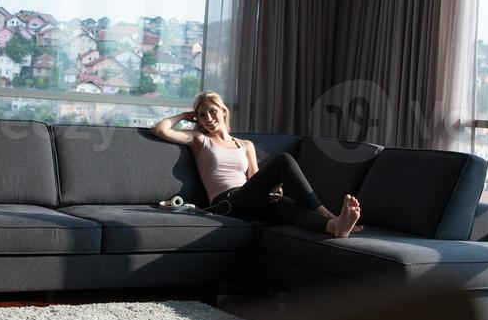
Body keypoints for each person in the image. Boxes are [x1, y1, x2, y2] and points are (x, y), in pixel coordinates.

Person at [151, 92, 362, 238]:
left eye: (212, 111)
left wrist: (274, 190)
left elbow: (255, 179)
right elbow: (159, 129)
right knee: (283, 160)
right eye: (202, 114)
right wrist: (183, 116)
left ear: (223, 111)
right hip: (228, 204)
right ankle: (328, 213)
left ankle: (336, 227)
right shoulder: (200, 140)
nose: (208, 118)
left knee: (284, 206)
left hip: (251, 199)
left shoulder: (245, 145)